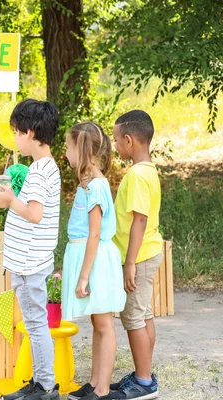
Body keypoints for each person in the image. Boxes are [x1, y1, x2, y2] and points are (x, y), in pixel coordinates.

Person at [0, 99, 61, 400]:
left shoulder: (40, 171)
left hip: (30, 263)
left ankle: (46, 386)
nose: (15, 139)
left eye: (17, 132)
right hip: (27, 261)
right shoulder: (42, 168)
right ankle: (39, 381)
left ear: (29, 132)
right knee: (34, 324)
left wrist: (10, 201)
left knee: (35, 324)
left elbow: (34, 213)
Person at [61, 122, 126, 400]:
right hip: (88, 258)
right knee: (97, 324)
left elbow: (95, 233)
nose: (65, 153)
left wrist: (84, 275)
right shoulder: (88, 184)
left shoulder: (96, 186)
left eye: (68, 147)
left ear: (83, 149)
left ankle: (102, 388)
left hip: (96, 262)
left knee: (104, 324)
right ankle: (94, 381)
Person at [109, 110, 163, 399]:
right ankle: (145, 372)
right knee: (143, 314)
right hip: (147, 253)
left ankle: (143, 383)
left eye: (117, 140)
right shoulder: (149, 170)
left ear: (129, 140)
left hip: (138, 257)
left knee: (132, 318)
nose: (116, 146)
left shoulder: (137, 174)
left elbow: (139, 219)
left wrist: (129, 262)